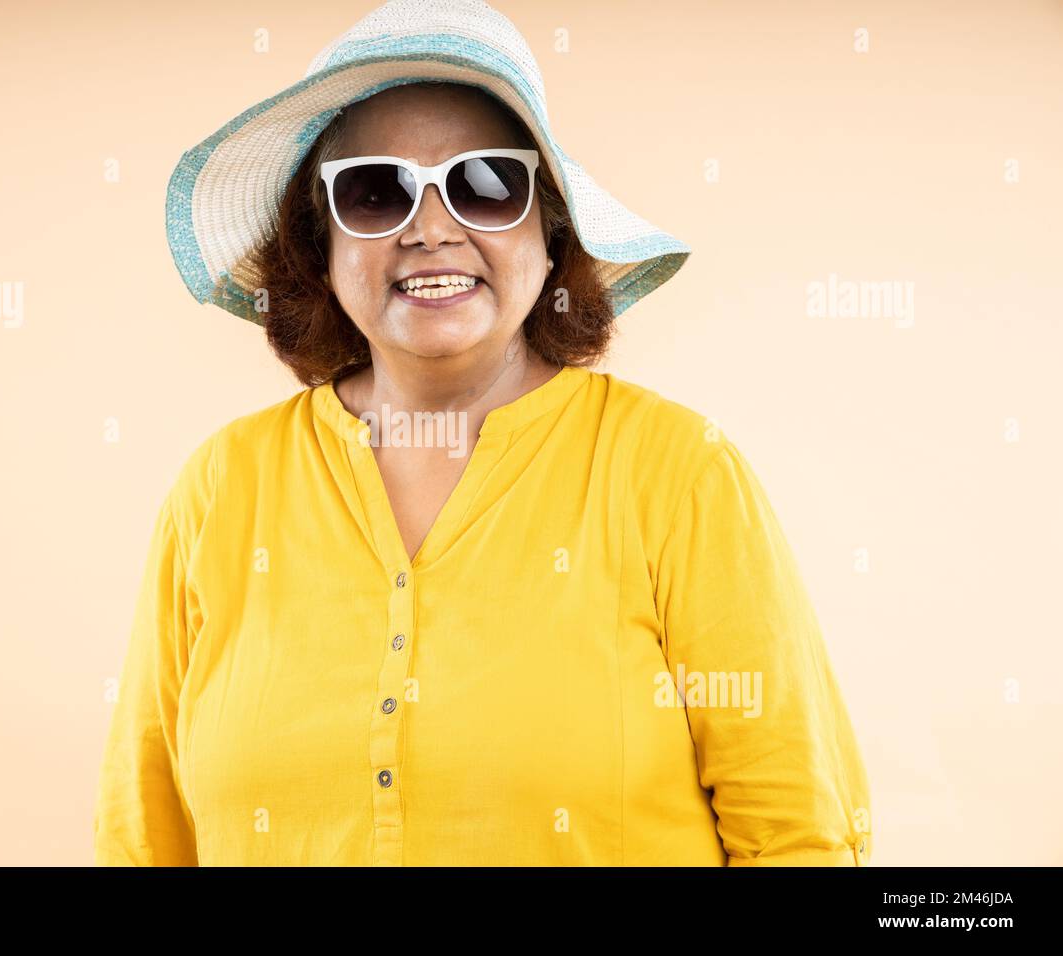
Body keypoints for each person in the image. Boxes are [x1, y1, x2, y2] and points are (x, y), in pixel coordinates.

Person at [93, 0, 871, 866]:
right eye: (376, 190)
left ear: (552, 232)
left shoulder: (681, 475)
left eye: (486, 184)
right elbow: (143, 839)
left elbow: (796, 836)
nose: (431, 230)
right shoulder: (221, 488)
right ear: (321, 240)